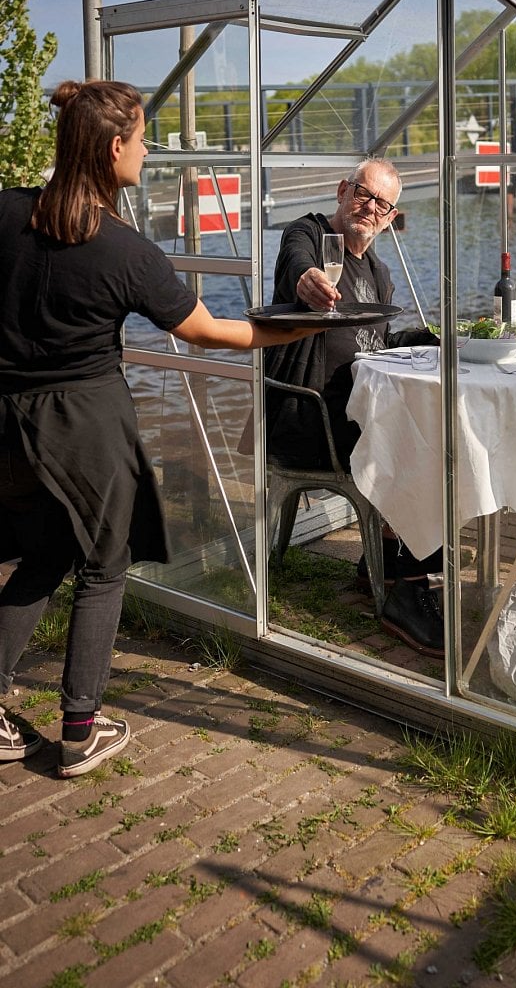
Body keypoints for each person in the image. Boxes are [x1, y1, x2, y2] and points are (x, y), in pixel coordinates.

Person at [0, 80, 318, 777]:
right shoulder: (125, 251)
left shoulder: (6, 214)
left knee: (46, 553)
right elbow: (208, 331)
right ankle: (80, 730)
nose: (147, 150)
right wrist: (293, 326)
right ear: (115, 147)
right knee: (103, 565)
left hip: (8, 424)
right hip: (84, 425)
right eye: (142, 139)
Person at [262, 160, 444, 658]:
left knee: (435, 430)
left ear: (391, 217)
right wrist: (308, 281)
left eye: (381, 203)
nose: (369, 207)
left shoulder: (379, 273)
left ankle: (387, 557)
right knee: (417, 444)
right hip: (308, 415)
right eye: (363, 194)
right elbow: (298, 264)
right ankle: (406, 588)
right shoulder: (313, 233)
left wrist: (438, 341)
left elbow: (378, 342)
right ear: (343, 190)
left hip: (358, 415)